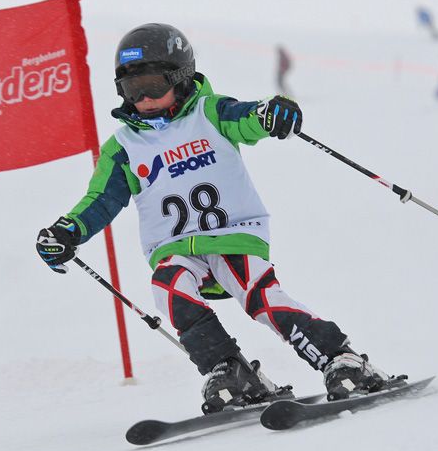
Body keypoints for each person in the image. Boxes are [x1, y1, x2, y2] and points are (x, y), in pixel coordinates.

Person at [36, 23, 388, 413]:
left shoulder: (210, 113)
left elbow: (248, 118)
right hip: (172, 247)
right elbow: (102, 199)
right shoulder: (123, 146)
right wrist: (69, 231)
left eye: (153, 85)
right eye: (132, 89)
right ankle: (230, 369)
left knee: (259, 297)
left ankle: (340, 358)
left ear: (180, 77)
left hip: (232, 234)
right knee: (170, 288)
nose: (144, 99)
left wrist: (272, 112)